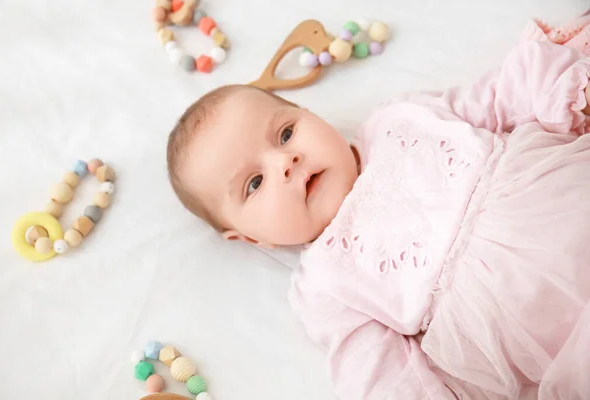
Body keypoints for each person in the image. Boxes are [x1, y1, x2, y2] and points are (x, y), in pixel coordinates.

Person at [167, 40, 590, 399]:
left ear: (308, 113)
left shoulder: (396, 120)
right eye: (255, 183)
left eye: (285, 133)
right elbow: (380, 373)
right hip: (535, 323)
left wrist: (556, 89)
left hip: (555, 190)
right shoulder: (324, 288)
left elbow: (494, 98)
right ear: (250, 238)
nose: (285, 161)